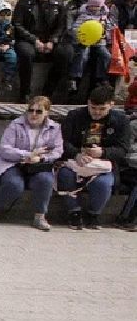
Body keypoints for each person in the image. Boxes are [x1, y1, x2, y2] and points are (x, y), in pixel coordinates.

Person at [0, 96, 63, 231]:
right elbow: (5, 149)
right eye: (31, 110)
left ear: (47, 113)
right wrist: (27, 155)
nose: (34, 114)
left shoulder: (55, 128)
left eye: (39, 111)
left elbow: (58, 151)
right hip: (13, 163)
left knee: (46, 180)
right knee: (14, 184)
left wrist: (41, 158)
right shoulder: (15, 124)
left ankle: (40, 216)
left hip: (38, 165)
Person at [58, 85, 126, 231]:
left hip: (102, 165)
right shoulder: (74, 116)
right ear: (88, 103)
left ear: (111, 105)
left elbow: (122, 149)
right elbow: (63, 142)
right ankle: (74, 212)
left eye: (102, 109)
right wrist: (76, 153)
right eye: (93, 108)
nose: (97, 112)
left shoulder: (120, 120)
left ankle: (94, 213)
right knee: (65, 175)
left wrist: (103, 152)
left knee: (104, 183)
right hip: (75, 161)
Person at [13, 0, 70, 101]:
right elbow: (17, 25)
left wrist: (52, 41)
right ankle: (25, 93)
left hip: (50, 41)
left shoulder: (60, 5)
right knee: (26, 53)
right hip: (28, 40)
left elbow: (62, 27)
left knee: (66, 53)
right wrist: (34, 40)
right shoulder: (23, 3)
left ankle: (47, 93)